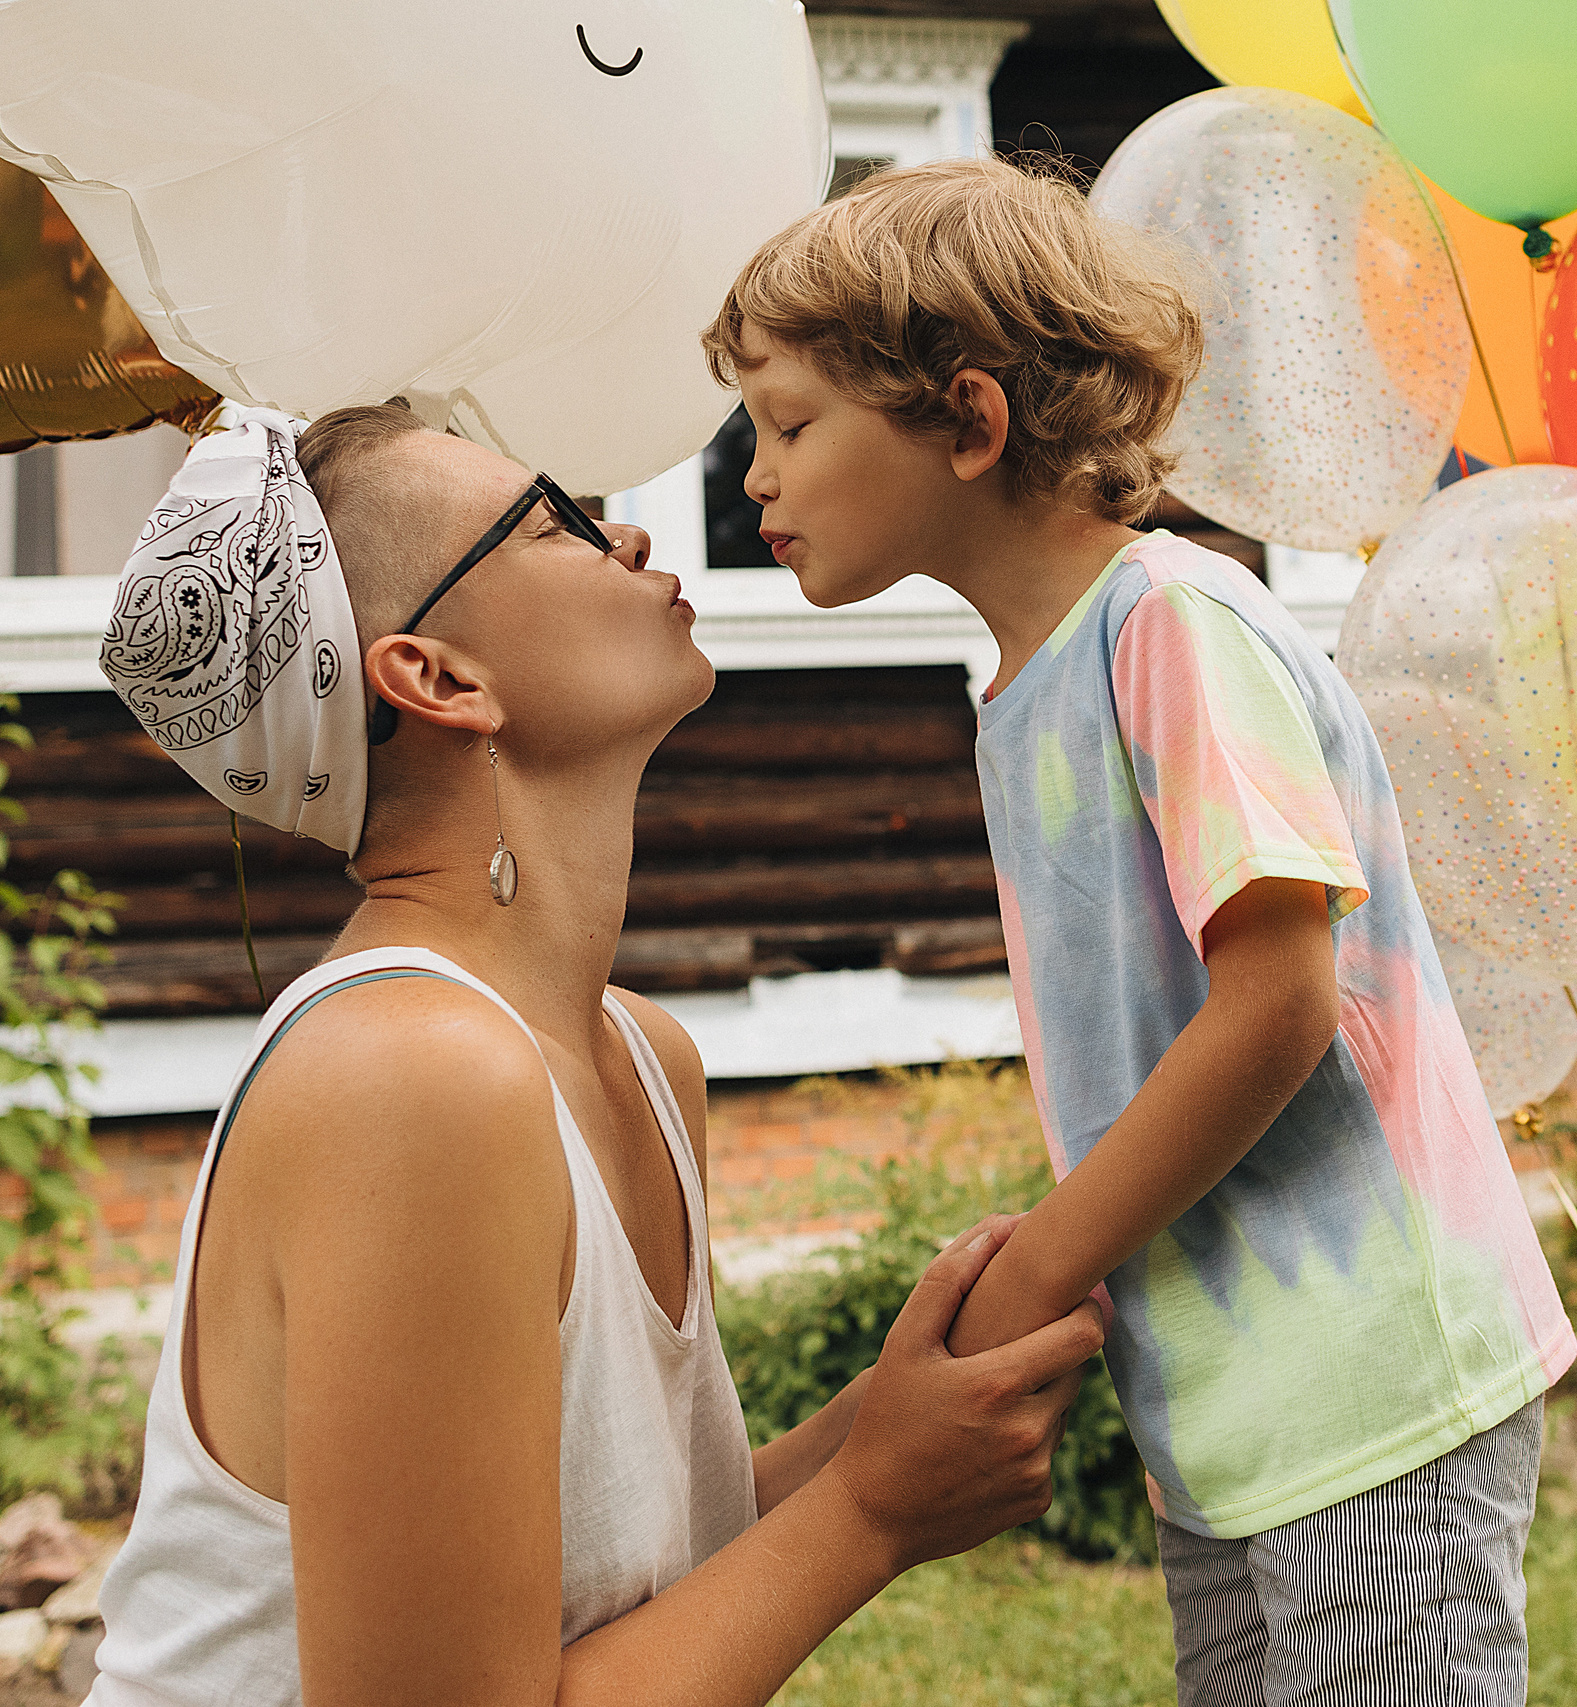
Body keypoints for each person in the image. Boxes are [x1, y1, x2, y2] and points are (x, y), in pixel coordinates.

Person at [703, 157, 1577, 1707]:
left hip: (1374, 1365)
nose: (753, 480)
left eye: (787, 425)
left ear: (967, 421)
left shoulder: (1171, 620)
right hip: (1236, 1398)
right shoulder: (1024, 690)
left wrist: (1047, 1261)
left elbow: (1279, 1004)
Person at [83, 402, 1105, 1707]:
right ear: (438, 678)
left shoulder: (641, 1054)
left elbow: (630, 1581)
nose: (626, 535)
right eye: (555, 522)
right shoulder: (409, 1078)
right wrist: (874, 1505)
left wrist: (889, 1415)